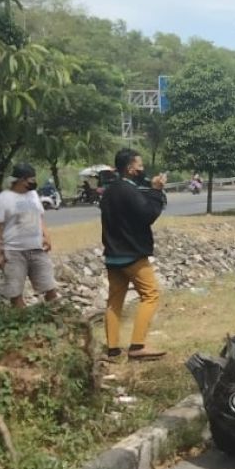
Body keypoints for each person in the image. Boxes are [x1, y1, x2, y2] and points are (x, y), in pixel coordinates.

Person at [100, 148, 168, 362]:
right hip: (132, 255)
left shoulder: (110, 190)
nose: (142, 168)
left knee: (114, 301)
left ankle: (112, 350)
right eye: (139, 165)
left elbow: (138, 195)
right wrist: (157, 191)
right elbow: (147, 214)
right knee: (150, 295)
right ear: (130, 168)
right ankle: (137, 346)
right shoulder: (128, 191)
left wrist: (151, 187)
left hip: (112, 255)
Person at [0, 163, 58, 308]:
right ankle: (24, 325)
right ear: (21, 180)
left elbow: (40, 217)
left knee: (50, 288)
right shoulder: (2, 199)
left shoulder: (33, 195)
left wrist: (47, 236)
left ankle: (57, 320)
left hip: (37, 249)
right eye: (31, 180)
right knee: (15, 294)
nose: (34, 183)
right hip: (13, 252)